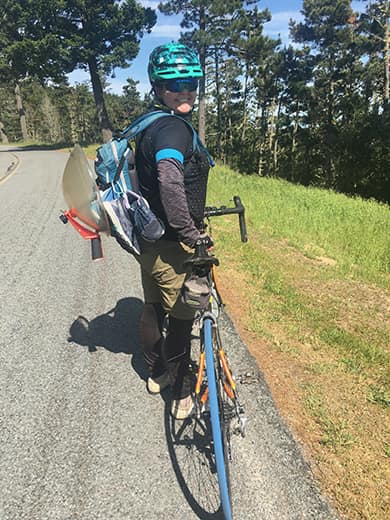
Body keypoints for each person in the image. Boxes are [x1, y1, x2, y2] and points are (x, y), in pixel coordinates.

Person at [134, 42, 212, 420]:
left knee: (151, 307)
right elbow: (168, 180)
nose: (185, 91)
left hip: (148, 242)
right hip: (171, 244)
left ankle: (157, 372)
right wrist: (189, 232)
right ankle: (181, 391)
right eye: (175, 83)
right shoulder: (172, 130)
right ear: (158, 86)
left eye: (192, 83)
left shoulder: (148, 123)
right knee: (183, 315)